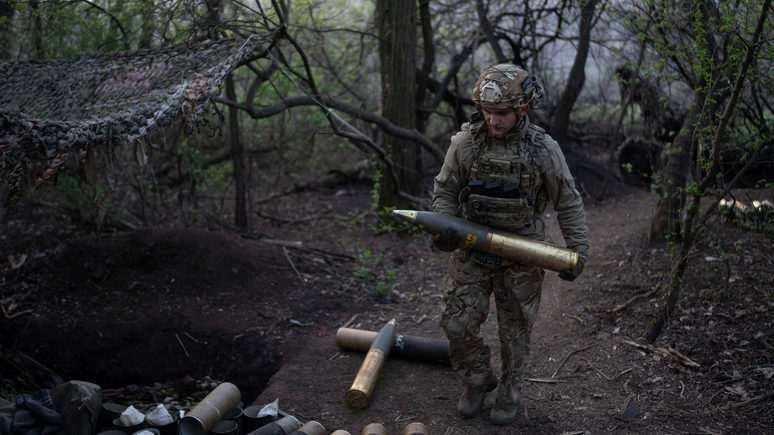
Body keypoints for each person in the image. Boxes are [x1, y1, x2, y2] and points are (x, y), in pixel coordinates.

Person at [431, 63, 589, 426]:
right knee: (456, 324)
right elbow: (445, 190)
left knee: (515, 331)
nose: (493, 120)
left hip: (522, 252)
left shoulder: (543, 151)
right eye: (487, 112)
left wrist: (577, 251)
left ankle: (510, 388)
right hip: (472, 248)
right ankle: (477, 379)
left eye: (501, 113)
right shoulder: (465, 144)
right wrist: (446, 225)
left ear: (522, 110)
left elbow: (568, 199)